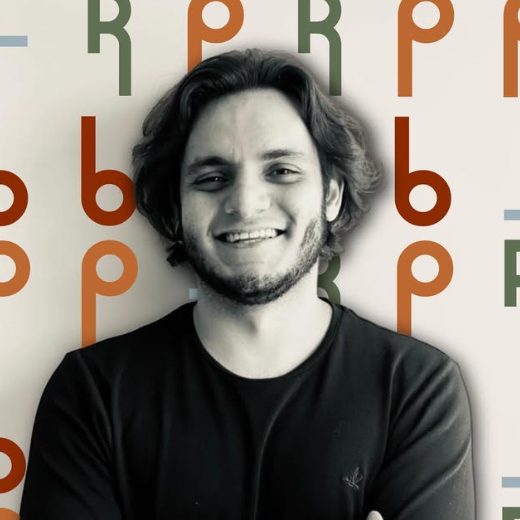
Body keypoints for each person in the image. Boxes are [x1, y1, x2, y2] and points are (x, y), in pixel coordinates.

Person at [20, 49, 475, 519]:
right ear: (177, 209)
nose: (245, 202)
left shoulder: (415, 388)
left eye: (281, 171)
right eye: (213, 178)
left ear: (332, 194)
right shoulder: (92, 393)